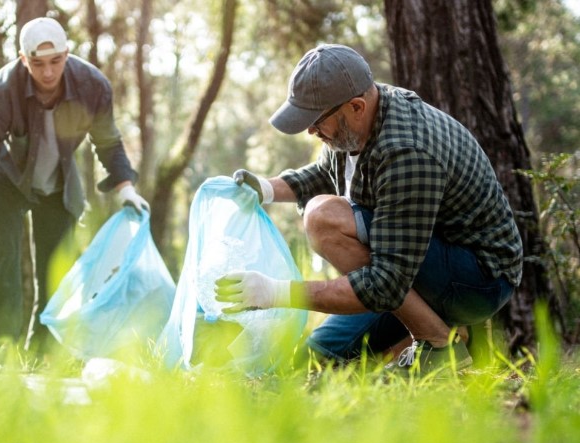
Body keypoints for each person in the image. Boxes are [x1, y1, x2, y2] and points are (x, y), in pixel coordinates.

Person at [215, 44, 523, 374]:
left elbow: (386, 284)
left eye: (316, 121)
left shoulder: (406, 152)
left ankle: (437, 344)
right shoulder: (360, 119)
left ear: (356, 107)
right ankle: (437, 334)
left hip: (478, 278)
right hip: (412, 265)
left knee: (323, 219)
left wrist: (275, 292)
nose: (310, 130)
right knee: (309, 362)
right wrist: (264, 189)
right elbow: (325, 173)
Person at [0, 17, 149, 349]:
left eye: (55, 61)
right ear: (23, 59)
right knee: (3, 262)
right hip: (9, 182)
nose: (48, 72)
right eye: (37, 63)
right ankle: (1, 352)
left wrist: (126, 188)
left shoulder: (93, 86)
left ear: (66, 53)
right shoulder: (1, 91)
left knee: (56, 273)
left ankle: (44, 355)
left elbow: (107, 142)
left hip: (59, 184)